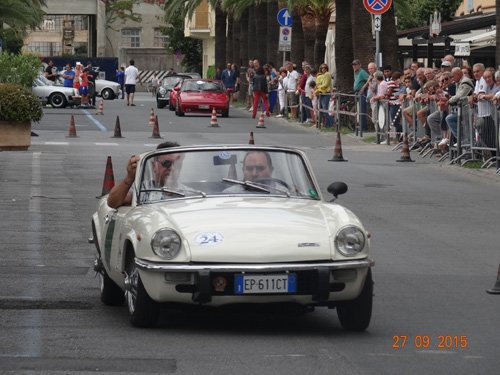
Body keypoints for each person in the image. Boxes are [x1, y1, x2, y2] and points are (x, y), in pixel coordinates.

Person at [107, 141, 181, 209]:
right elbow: (112, 203)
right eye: (166, 163)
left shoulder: (189, 193)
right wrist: (129, 177)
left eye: (177, 165)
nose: (172, 168)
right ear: (154, 166)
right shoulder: (142, 189)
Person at [352, 59, 369, 131]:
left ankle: (363, 128)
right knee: (358, 110)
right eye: (353, 65)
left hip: (362, 93)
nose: (354, 66)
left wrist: (364, 87)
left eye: (355, 65)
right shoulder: (356, 72)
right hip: (357, 93)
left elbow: (369, 79)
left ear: (359, 65)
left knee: (362, 110)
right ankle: (360, 127)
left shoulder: (362, 72)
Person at [316, 63, 333, 128]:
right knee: (322, 110)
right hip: (322, 93)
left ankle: (330, 123)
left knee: (325, 109)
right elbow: (319, 84)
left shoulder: (327, 74)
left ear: (327, 68)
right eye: (322, 68)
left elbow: (325, 85)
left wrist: (319, 87)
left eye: (325, 68)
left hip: (326, 93)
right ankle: (326, 124)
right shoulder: (322, 75)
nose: (323, 69)